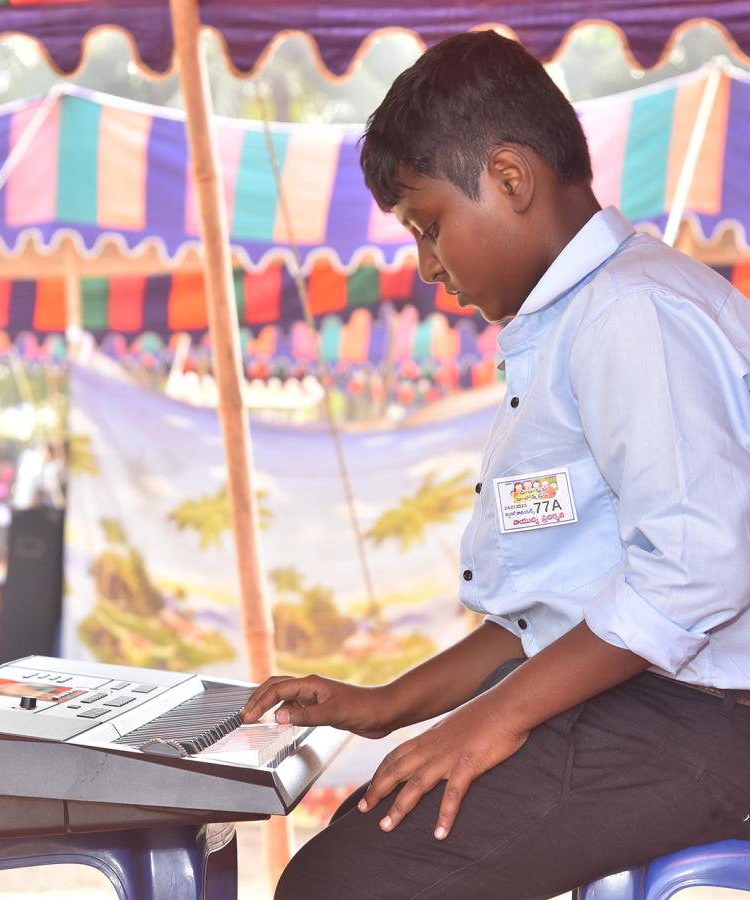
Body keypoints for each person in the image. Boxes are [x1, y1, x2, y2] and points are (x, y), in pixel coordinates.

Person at [242, 31, 750, 900]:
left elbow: (694, 575)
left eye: (429, 226)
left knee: (346, 884)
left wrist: (490, 722)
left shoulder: (633, 314)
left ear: (511, 179)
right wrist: (389, 703)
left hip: (705, 717)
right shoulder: (577, 324)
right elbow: (552, 615)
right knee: (369, 833)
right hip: (654, 698)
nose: (428, 266)